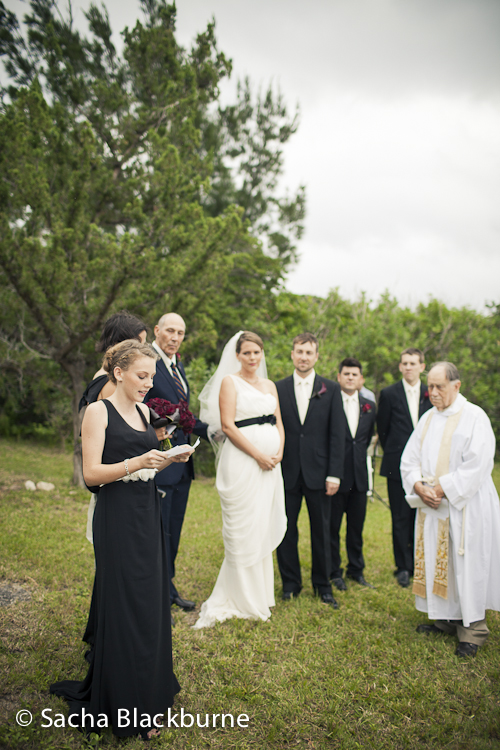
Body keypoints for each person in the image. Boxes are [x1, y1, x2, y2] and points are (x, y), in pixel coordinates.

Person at [50, 340, 194, 738]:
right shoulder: (98, 412)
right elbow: (92, 474)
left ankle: (150, 694)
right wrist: (137, 461)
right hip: (116, 517)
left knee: (149, 602)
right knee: (124, 603)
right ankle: (124, 704)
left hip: (147, 513)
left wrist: (168, 457)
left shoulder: (146, 412)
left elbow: (146, 462)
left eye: (151, 376)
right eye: (141, 376)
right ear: (118, 373)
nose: (148, 384)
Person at [400, 362, 500, 658]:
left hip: (465, 506)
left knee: (466, 565)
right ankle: (445, 619)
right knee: (437, 560)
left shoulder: (474, 417)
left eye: (439, 387)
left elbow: (479, 463)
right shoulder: (428, 417)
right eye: (429, 386)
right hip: (433, 505)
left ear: (456, 386)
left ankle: (473, 630)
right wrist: (418, 485)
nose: (432, 392)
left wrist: (442, 488)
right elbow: (409, 459)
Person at [193, 331, 287, 628]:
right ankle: (238, 597)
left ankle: (259, 596)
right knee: (243, 527)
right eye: (247, 353)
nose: (252, 358)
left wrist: (279, 451)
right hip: (243, 463)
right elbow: (228, 426)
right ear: (237, 355)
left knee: (261, 524)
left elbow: (278, 422)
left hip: (270, 465)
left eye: (257, 352)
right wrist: (258, 454)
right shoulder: (229, 382)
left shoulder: (270, 385)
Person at [276, 333, 345, 608]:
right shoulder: (278, 388)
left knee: (322, 531)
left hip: (320, 473)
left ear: (317, 356)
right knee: (286, 530)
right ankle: (290, 584)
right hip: (287, 471)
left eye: (309, 352)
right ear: (292, 354)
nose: (303, 357)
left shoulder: (331, 388)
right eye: (299, 351)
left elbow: (337, 434)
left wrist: (334, 474)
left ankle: (323, 585)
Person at [147, 312, 208, 613]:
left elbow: (183, 413)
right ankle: (156, 596)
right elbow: (139, 406)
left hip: (182, 464)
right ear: (157, 330)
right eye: (170, 330)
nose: (175, 337)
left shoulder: (176, 365)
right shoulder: (147, 362)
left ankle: (168, 588)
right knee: (159, 533)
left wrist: (214, 431)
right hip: (159, 462)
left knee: (174, 529)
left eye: (180, 333)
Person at [377, 348, 432, 587]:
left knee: (423, 517)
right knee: (399, 516)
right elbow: (383, 429)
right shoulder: (388, 394)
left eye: (413, 363)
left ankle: (422, 563)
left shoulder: (431, 393)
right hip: (396, 464)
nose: (408, 367)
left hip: (427, 466)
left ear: (422, 366)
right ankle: (403, 567)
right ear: (400, 367)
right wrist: (398, 453)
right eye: (405, 363)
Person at [330, 358, 377, 591]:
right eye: (346, 374)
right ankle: (333, 572)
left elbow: (364, 440)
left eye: (354, 374)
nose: (350, 377)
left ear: (361, 379)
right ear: (339, 377)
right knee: (332, 528)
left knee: (356, 528)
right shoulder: (330, 403)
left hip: (359, 477)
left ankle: (356, 570)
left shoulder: (370, 406)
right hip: (335, 477)